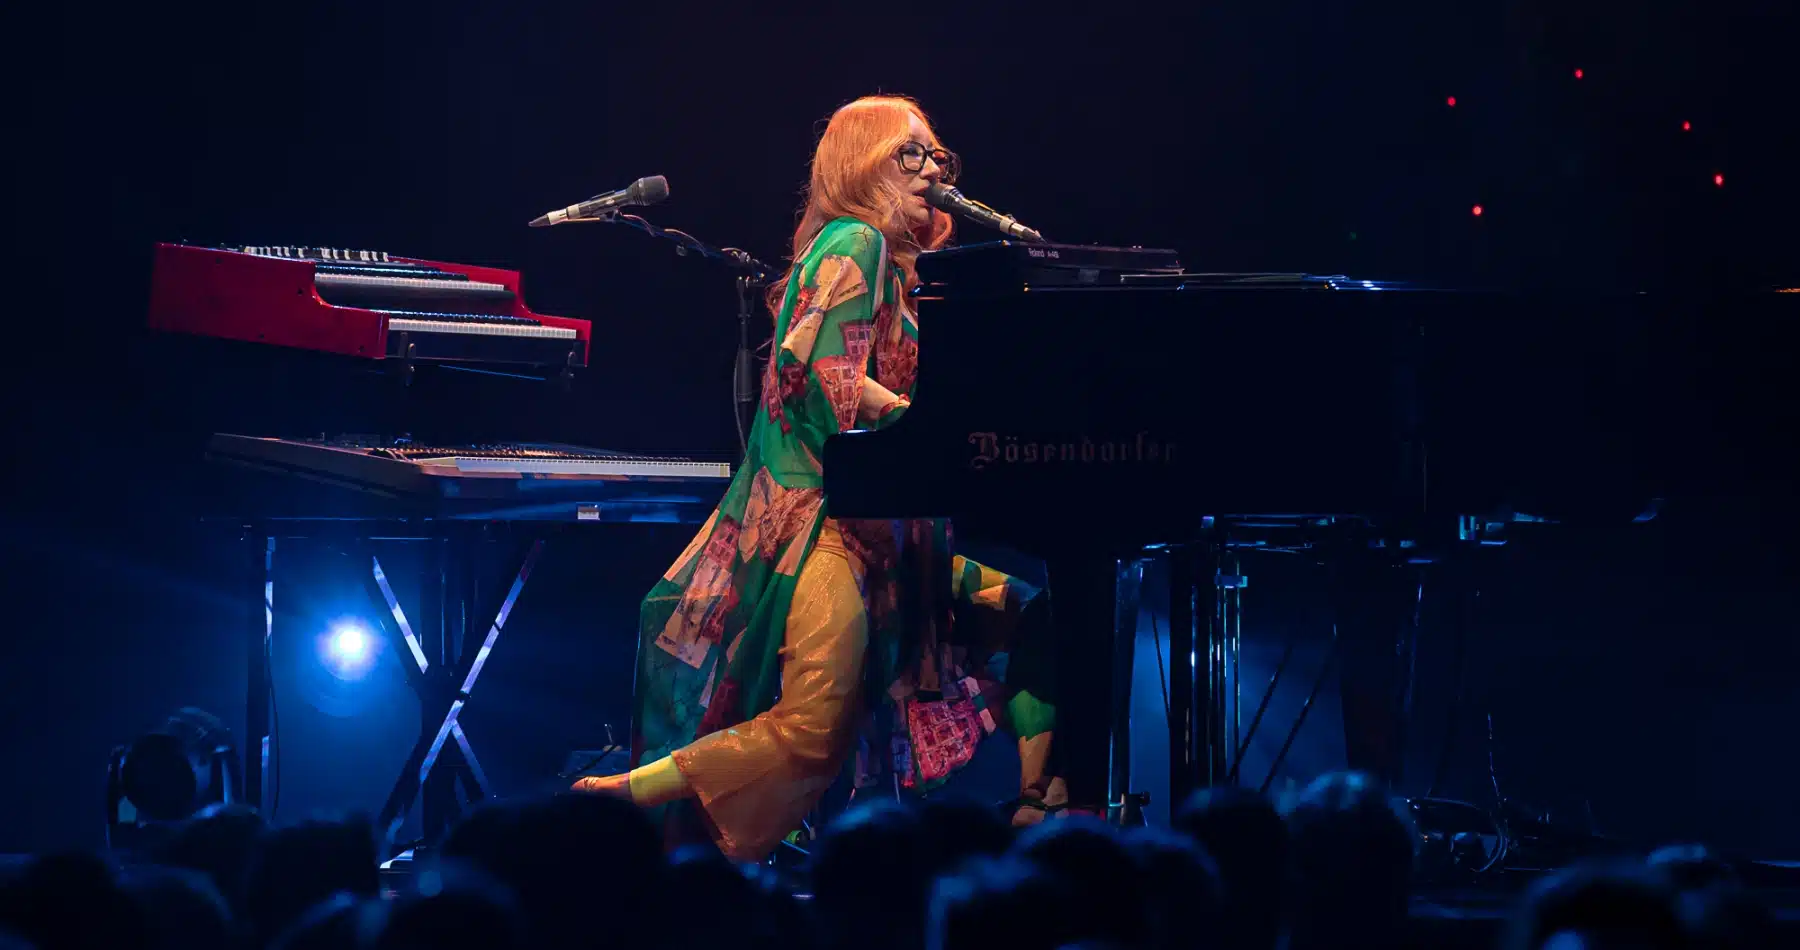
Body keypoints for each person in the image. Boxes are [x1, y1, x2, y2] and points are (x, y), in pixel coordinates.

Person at [573, 95, 1068, 861]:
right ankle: (620, 797)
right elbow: (813, 369)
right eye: (910, 154)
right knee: (814, 727)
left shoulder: (898, 270)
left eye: (937, 155)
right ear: (860, 164)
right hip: (825, 527)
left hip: (883, 532)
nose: (932, 170)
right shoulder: (854, 241)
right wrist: (921, 421)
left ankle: (1041, 813)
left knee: (1030, 619)